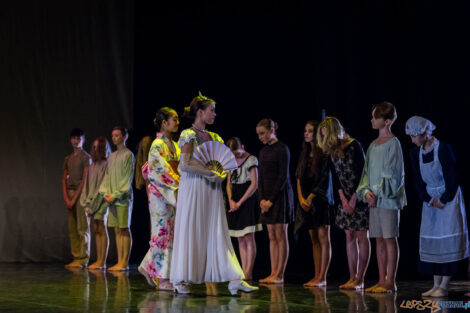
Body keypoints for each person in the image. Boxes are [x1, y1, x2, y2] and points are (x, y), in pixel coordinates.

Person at [169, 93, 257, 295]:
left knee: (218, 231)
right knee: (192, 228)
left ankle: (235, 277)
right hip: (194, 189)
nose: (215, 114)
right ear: (200, 112)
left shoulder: (215, 137)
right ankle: (181, 278)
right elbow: (184, 164)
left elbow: (223, 162)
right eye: (212, 110)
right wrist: (210, 173)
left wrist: (220, 174)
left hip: (212, 190)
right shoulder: (188, 134)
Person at [406, 116, 468, 297]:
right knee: (434, 241)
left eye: (414, 136)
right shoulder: (414, 153)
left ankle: (444, 285)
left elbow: (453, 176)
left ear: (425, 134)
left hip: (447, 199)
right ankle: (435, 284)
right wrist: (427, 198)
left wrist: (444, 198)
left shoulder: (443, 149)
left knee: (446, 240)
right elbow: (417, 180)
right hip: (430, 200)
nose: (412, 140)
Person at [357, 102, 407, 293]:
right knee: (378, 238)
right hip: (374, 200)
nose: (371, 120)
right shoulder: (372, 146)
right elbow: (366, 173)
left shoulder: (394, 144)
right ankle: (380, 279)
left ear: (386, 121)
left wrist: (377, 192)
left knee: (389, 238)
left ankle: (390, 281)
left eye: (375, 117)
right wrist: (367, 192)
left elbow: (394, 174)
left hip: (387, 199)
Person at [317, 117, 370, 290]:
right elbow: (336, 178)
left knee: (362, 235)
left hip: (359, 196)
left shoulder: (353, 145)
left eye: (327, 136)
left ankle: (360, 279)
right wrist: (343, 200)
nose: (325, 140)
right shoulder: (332, 151)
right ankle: (352, 277)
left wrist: (353, 200)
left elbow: (363, 173)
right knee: (349, 236)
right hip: (345, 199)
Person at [139, 107, 181, 291]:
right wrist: (179, 182)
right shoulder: (158, 144)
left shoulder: (174, 144)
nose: (177, 122)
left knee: (169, 234)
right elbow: (160, 171)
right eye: (174, 119)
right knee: (162, 233)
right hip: (160, 194)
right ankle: (162, 278)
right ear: (164, 123)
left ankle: (150, 269)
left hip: (171, 193)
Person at [294, 120, 333, 287]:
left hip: (320, 201)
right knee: (314, 240)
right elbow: (297, 177)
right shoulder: (304, 154)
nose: (306, 133)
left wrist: (310, 197)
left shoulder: (324, 154)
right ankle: (317, 276)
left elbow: (325, 179)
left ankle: (323, 277)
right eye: (305, 130)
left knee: (324, 239)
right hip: (306, 203)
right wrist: (301, 198)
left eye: (310, 131)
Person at [256, 118, 294, 284]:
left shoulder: (282, 149)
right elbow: (261, 177)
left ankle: (280, 274)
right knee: (271, 235)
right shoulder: (263, 151)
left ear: (272, 130)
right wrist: (262, 199)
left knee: (280, 234)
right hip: (266, 199)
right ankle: (273, 272)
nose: (260, 137)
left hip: (280, 196)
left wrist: (270, 200)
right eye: (258, 135)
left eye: (262, 133)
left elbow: (283, 176)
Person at [226, 137, 262, 281]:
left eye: (237, 152)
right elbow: (228, 183)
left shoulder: (252, 160)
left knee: (249, 236)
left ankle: (248, 272)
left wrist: (239, 202)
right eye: (233, 154)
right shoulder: (230, 160)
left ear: (243, 146)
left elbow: (254, 184)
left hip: (247, 198)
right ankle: (243, 270)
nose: (236, 156)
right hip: (235, 198)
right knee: (240, 237)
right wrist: (230, 200)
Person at [99, 126, 135, 271]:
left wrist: (115, 195)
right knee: (116, 230)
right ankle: (119, 261)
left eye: (117, 135)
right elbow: (107, 177)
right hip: (112, 198)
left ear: (124, 137)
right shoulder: (112, 156)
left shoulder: (128, 155)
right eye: (113, 135)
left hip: (122, 198)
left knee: (124, 228)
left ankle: (124, 262)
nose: (114, 138)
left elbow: (127, 179)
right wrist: (105, 193)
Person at [80, 137, 111, 269]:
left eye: (98, 147)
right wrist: (86, 204)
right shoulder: (92, 165)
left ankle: (102, 261)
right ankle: (98, 259)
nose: (95, 150)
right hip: (92, 203)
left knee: (101, 226)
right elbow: (87, 186)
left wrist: (92, 206)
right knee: (96, 228)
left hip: (101, 202)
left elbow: (102, 188)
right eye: (94, 147)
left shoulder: (106, 165)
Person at [62, 128, 91, 268]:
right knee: (72, 228)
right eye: (74, 138)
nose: (76, 141)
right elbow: (63, 179)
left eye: (78, 138)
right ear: (70, 140)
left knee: (82, 227)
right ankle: (76, 257)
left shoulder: (86, 157)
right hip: (70, 192)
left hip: (81, 195)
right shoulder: (68, 158)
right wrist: (67, 198)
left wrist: (74, 200)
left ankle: (83, 258)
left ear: (83, 140)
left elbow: (85, 180)